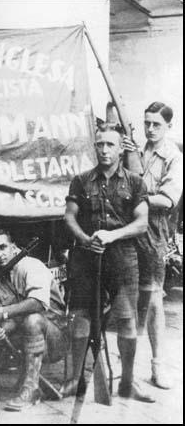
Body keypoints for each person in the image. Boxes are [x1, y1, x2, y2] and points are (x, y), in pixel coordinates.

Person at [64, 123, 155, 402]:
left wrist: (113, 235)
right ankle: (75, 380)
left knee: (127, 320)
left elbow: (141, 223)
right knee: (81, 318)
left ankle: (127, 382)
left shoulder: (135, 182)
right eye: (100, 144)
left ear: (120, 148)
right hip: (86, 258)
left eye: (110, 145)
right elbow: (69, 216)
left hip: (122, 259)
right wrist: (83, 239)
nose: (104, 150)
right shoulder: (81, 181)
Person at [123, 102, 183, 389]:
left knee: (153, 301)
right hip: (127, 229)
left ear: (169, 126)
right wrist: (127, 152)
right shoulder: (136, 148)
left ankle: (158, 365)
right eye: (146, 123)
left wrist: (137, 197)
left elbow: (168, 199)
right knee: (125, 298)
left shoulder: (174, 157)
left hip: (154, 232)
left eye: (156, 124)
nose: (150, 129)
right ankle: (126, 370)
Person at [0, 229, 68, 411]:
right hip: (25, 335)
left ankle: (31, 389)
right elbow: (10, 316)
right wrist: (2, 328)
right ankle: (26, 375)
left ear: (14, 247)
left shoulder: (30, 265)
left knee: (33, 320)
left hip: (55, 339)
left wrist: (2, 313)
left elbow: (37, 304)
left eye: (3, 247)